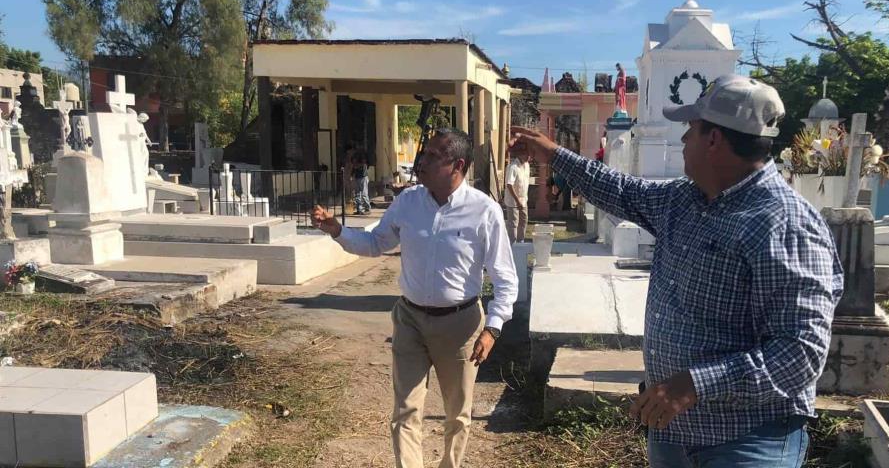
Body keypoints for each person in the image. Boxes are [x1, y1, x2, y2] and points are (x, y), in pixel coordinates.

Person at [511, 74, 843, 468]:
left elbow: (800, 354)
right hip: (674, 434)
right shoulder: (684, 199)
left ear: (714, 139)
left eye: (691, 129)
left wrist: (695, 384)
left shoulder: (784, 224)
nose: (684, 140)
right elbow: (621, 190)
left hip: (748, 441)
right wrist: (553, 153)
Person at [312, 128, 517, 468]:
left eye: (433, 156)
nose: (422, 160)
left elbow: (505, 278)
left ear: (457, 165)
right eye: (425, 153)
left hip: (461, 326)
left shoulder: (484, 211)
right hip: (410, 320)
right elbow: (377, 242)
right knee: (405, 410)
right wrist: (338, 231)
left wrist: (492, 328)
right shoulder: (407, 203)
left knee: (457, 414)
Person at [504, 147, 530, 243]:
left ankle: (521, 242)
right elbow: (509, 185)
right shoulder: (513, 167)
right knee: (514, 223)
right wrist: (517, 200)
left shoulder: (527, 165)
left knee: (523, 221)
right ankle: (512, 244)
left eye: (529, 154)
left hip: (524, 199)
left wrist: (523, 200)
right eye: (526, 154)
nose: (528, 157)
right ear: (520, 154)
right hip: (513, 201)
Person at [351, 148, 371, 215]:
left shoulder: (363, 156)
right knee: (357, 194)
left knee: (364, 194)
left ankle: (367, 209)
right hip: (357, 177)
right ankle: (359, 209)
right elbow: (353, 167)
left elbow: (364, 164)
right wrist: (352, 175)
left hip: (363, 176)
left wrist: (357, 166)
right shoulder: (355, 156)